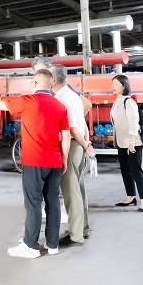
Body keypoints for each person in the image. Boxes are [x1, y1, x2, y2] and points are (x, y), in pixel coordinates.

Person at [0, 69, 71, 258]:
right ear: (51, 84)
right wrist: (64, 159)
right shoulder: (60, 106)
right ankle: (53, 245)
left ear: (35, 83)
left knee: (33, 204)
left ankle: (31, 246)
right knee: (53, 203)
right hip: (55, 161)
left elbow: (1, 104)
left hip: (34, 161)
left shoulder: (29, 101)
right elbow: (66, 136)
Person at [51, 65, 95, 246]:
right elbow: (82, 122)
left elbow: (73, 128)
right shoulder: (73, 95)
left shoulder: (61, 99)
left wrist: (85, 144)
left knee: (71, 191)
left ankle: (75, 234)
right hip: (79, 145)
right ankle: (83, 227)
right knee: (79, 188)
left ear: (53, 80)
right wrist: (86, 143)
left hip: (71, 145)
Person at [110, 74, 143, 212]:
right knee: (125, 170)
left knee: (136, 170)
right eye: (112, 84)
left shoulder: (128, 101)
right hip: (121, 142)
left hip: (132, 143)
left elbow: (134, 123)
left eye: (116, 84)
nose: (113, 86)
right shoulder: (117, 101)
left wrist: (132, 142)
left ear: (124, 86)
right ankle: (130, 197)